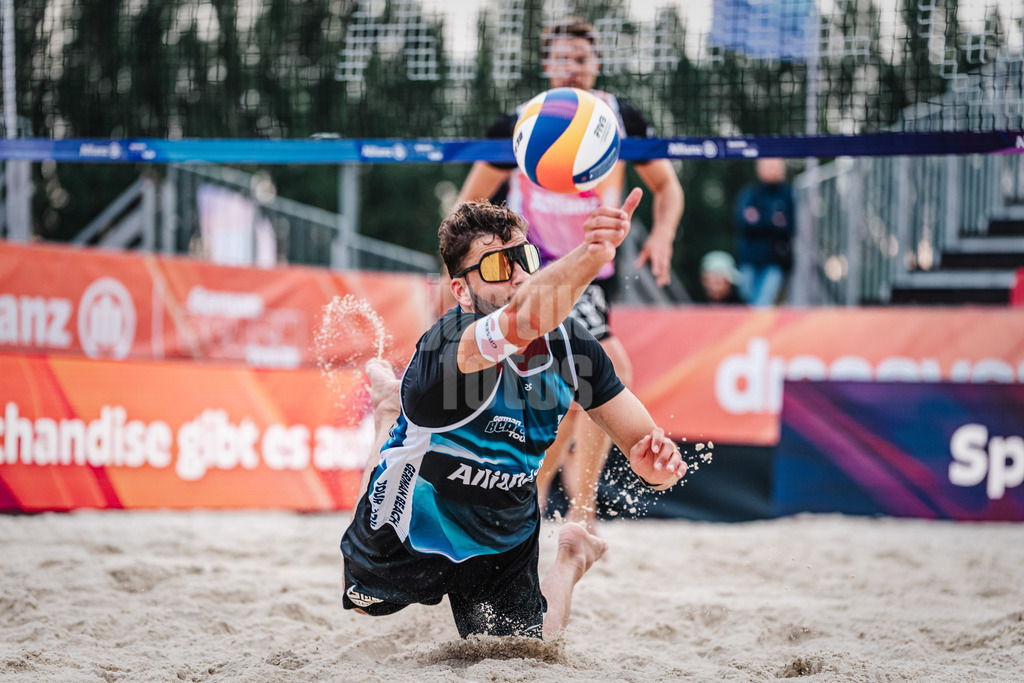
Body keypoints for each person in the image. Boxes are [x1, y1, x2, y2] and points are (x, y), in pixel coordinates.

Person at [341, 192, 687, 640]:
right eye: (496, 266)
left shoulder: (573, 348)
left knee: (528, 650)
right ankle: (390, 415)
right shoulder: (449, 347)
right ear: (461, 290)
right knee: (369, 605)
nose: (519, 275)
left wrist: (656, 468)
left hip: (502, 531)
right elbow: (522, 320)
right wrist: (592, 255)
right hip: (416, 522)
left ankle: (572, 558)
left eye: (524, 258)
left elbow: (642, 443)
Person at [455, 17, 685, 532]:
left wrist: (663, 234)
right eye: (561, 59)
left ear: (595, 64)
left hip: (592, 271)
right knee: (601, 369)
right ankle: (575, 511)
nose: (571, 68)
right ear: (546, 65)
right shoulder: (521, 124)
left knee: (575, 381)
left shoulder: (621, 119)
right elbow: (465, 209)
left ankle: (548, 504)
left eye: (580, 59)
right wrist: (464, 278)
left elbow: (668, 188)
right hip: (530, 266)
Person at [733, 157, 795, 306]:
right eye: (767, 166)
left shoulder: (787, 195)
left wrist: (760, 219)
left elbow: (789, 226)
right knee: (747, 301)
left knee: (762, 304)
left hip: (774, 261)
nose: (771, 169)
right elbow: (743, 223)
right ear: (758, 169)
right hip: (749, 259)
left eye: (775, 166)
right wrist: (773, 220)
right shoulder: (749, 194)